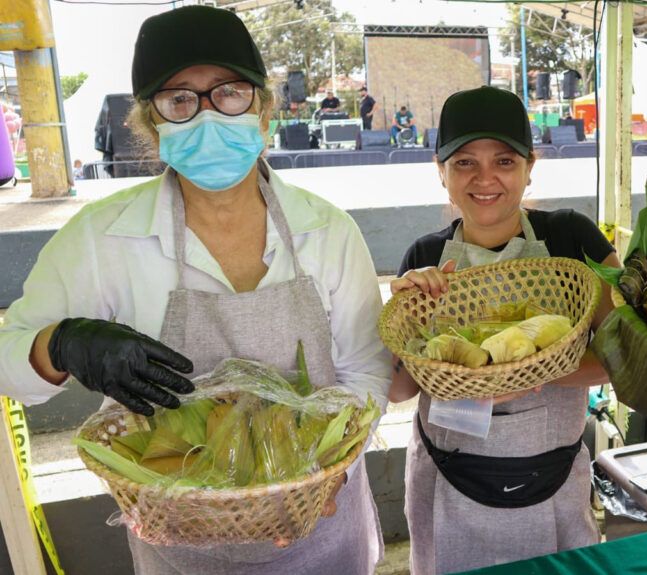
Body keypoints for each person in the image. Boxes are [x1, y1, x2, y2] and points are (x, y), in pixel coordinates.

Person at [0, 7, 390, 574]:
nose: (207, 116)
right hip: (178, 548)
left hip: (323, 529)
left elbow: (366, 370)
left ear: (262, 106)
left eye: (228, 93)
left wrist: (331, 470)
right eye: (180, 100)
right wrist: (59, 344)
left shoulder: (326, 230)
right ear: (149, 120)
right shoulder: (101, 239)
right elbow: (9, 368)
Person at [388, 85, 619, 575]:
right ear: (441, 172)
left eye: (505, 160)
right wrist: (400, 315)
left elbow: (626, 357)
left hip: (550, 479)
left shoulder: (571, 238)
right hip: (449, 479)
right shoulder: (424, 257)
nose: (485, 178)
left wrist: (536, 369)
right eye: (465, 162)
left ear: (530, 166)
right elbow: (400, 389)